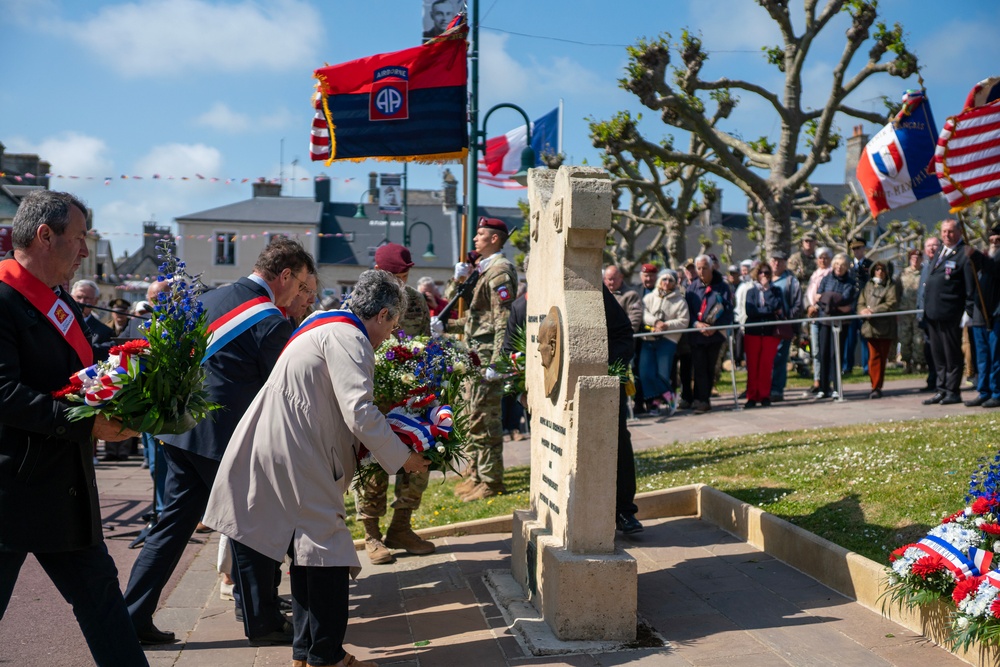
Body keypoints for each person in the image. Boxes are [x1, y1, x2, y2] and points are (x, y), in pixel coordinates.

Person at [203, 269, 431, 667]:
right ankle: (327, 655)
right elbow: (358, 411)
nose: (392, 333)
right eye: (393, 323)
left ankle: (307, 654)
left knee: (309, 552)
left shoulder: (322, 323)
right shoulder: (349, 337)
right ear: (380, 314)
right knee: (327, 553)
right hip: (297, 451)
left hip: (284, 444)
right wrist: (403, 456)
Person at [124, 238, 316, 646]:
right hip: (223, 441)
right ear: (285, 276)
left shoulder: (212, 298)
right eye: (300, 285)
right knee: (252, 527)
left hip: (177, 430)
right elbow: (285, 389)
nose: (300, 293)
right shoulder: (269, 321)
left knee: (171, 526)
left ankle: (132, 616)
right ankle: (260, 621)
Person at [0, 190, 148, 666]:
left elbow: (80, 373)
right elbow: (3, 393)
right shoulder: (3, 297)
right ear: (45, 236)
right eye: (79, 238)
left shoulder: (59, 300)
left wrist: (134, 374)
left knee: (103, 603)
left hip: (65, 490)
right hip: (10, 491)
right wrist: (88, 426)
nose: (85, 251)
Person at [356, 243, 435, 565]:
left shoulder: (416, 301)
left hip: (410, 395)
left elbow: (426, 342)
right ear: (378, 272)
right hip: (376, 396)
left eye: (405, 276)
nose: (401, 283)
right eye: (395, 276)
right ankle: (371, 535)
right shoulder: (364, 300)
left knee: (417, 461)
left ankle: (401, 526)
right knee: (373, 465)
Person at [453, 218, 518, 502]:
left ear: (494, 239)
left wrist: (499, 361)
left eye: (480, 235)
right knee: (474, 419)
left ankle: (491, 480)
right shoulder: (484, 270)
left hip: (487, 356)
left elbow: (503, 319)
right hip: (476, 354)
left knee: (486, 419)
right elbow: (478, 316)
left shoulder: (500, 271)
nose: (475, 240)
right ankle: (478, 475)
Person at [604, 284, 643, 534]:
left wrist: (607, 370)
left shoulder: (594, 290)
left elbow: (622, 333)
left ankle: (624, 511)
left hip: (604, 383)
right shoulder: (527, 302)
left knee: (617, 442)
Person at [922, 220, 974, 406]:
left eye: (951, 231)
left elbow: (969, 286)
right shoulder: (939, 252)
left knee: (951, 354)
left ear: (959, 232)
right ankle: (941, 388)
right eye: (944, 231)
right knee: (938, 354)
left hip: (951, 312)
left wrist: (968, 311)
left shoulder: (963, 254)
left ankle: (953, 391)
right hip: (933, 312)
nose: (947, 235)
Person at [684, 254, 734, 414]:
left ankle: (704, 399)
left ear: (712, 267)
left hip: (715, 335)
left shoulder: (722, 287)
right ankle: (699, 399)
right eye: (698, 268)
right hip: (697, 335)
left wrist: (715, 327)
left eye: (704, 268)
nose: (701, 271)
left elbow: (728, 311)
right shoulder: (692, 287)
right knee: (698, 367)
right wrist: (696, 324)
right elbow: (688, 311)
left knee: (709, 367)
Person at [640, 269, 689, 415]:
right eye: (664, 279)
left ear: (675, 283)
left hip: (668, 339)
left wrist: (666, 325)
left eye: (670, 280)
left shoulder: (680, 300)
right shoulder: (649, 297)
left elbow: (684, 321)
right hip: (648, 338)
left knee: (662, 373)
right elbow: (643, 312)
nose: (666, 283)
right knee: (645, 372)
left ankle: (666, 399)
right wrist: (655, 322)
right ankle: (656, 400)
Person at [966, 225, 1000, 408]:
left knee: (996, 358)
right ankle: (984, 390)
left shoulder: (993, 260)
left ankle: (997, 392)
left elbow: (994, 269)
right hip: (981, 315)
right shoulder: (987, 257)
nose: (994, 242)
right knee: (982, 357)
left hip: (996, 315)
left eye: (998, 239)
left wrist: (975, 255)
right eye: (992, 238)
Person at [815, 253, 858, 399]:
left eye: (843, 265)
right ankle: (823, 387)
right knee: (823, 353)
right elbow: (818, 297)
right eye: (837, 264)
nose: (839, 268)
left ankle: (836, 388)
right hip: (824, 321)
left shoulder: (850, 282)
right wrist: (833, 301)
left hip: (841, 323)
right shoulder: (826, 279)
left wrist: (829, 299)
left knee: (836, 355)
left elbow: (846, 300)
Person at [743, 263, 785, 408]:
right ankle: (752, 396)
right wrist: (768, 311)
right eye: (761, 272)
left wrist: (767, 291)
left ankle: (764, 395)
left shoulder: (776, 290)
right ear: (756, 273)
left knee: (766, 366)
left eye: (767, 273)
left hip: (770, 333)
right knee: (753, 366)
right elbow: (751, 311)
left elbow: (778, 307)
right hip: (753, 333)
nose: (764, 275)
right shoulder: (751, 292)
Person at [857, 261, 898, 399]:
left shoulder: (891, 286)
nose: (879, 272)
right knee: (873, 357)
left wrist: (874, 311)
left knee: (882, 357)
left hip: (885, 328)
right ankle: (874, 386)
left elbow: (891, 303)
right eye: (877, 269)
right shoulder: (868, 286)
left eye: (882, 270)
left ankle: (878, 385)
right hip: (870, 327)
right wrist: (862, 311)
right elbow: (860, 302)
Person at [768, 250, 803, 402]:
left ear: (785, 263)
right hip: (766, 326)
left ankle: (776, 389)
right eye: (774, 260)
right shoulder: (764, 278)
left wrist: (787, 320)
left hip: (783, 327)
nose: (776, 263)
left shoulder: (791, 281)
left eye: (780, 261)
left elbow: (798, 305)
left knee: (779, 358)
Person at [805, 247, 834, 393]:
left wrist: (817, 306)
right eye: (820, 258)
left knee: (825, 351)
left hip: (824, 316)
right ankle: (817, 380)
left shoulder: (831, 275)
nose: (823, 260)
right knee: (815, 350)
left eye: (826, 257)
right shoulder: (814, 275)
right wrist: (809, 307)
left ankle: (826, 380)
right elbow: (808, 294)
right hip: (813, 318)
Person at [844, 235, 873, 375]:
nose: (856, 251)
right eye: (854, 249)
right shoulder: (847, 265)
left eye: (858, 248)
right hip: (851, 306)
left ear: (864, 248)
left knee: (865, 338)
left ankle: (866, 366)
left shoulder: (870, 265)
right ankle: (846, 366)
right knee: (849, 339)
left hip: (864, 306)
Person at [917, 236, 942, 392]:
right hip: (924, 316)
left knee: (939, 349)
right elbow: (921, 292)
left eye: (934, 245)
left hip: (938, 315)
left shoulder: (940, 264)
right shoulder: (925, 266)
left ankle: (940, 381)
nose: (931, 248)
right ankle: (932, 378)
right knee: (928, 350)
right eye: (928, 246)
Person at [897, 249, 925, 374]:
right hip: (905, 312)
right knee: (905, 338)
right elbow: (897, 292)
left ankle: (919, 363)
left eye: (918, 258)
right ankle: (906, 363)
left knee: (919, 340)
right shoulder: (902, 274)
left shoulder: (925, 273)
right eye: (913, 258)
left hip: (919, 312)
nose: (915, 260)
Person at [72, 279, 114, 347]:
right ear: (71, 298)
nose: (82, 302)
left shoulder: (104, 332)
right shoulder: (60, 323)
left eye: (87, 298)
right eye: (78, 297)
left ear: (96, 300)